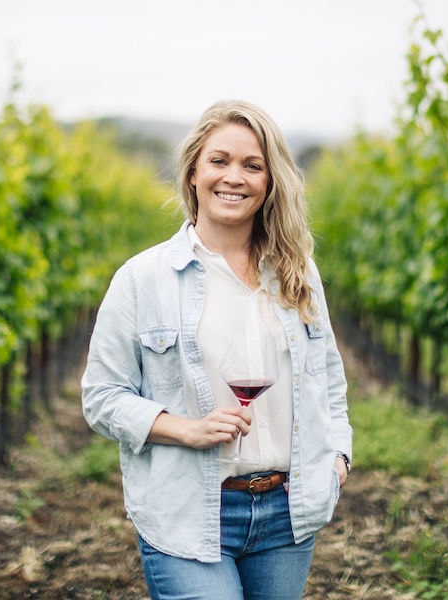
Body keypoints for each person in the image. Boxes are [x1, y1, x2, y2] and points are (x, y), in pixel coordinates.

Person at [81, 99, 352, 600]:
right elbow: (102, 397)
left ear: (271, 181)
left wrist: (338, 459)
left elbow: (329, 379)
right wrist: (186, 429)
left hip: (287, 513)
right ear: (193, 173)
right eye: (219, 161)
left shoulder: (298, 274)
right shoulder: (143, 279)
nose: (235, 177)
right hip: (188, 512)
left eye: (253, 165)